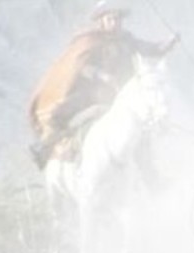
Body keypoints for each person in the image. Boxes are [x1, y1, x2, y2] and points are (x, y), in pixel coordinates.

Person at [28, 2, 179, 166]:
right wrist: (102, 76)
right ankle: (45, 147)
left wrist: (168, 43)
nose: (115, 23)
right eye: (110, 19)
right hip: (92, 93)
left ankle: (149, 172)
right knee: (59, 114)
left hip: (123, 94)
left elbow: (150, 49)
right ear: (102, 21)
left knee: (142, 123)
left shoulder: (127, 39)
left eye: (117, 19)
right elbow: (80, 67)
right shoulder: (90, 40)